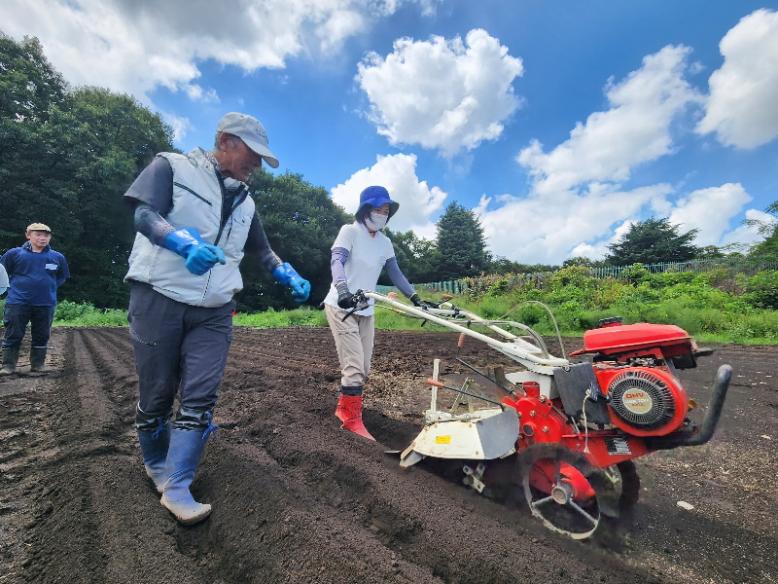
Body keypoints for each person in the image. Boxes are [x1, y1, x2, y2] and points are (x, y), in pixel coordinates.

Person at [124, 112, 310, 525]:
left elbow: (262, 251)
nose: (256, 166)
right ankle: (155, 463)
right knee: (157, 395)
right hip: (160, 296)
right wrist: (178, 242)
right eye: (252, 154)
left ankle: (177, 485)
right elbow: (143, 214)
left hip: (215, 310)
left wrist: (285, 271)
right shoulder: (172, 166)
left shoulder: (247, 201)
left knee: (200, 396)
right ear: (225, 142)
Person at [323, 186, 435, 441]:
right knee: (353, 367)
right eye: (378, 209)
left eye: (386, 211)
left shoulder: (385, 243)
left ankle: (344, 407)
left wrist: (416, 298)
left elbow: (395, 273)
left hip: (366, 308)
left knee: (364, 367)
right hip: (342, 306)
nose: (382, 214)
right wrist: (342, 289)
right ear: (365, 210)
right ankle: (351, 420)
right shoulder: (349, 231)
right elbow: (337, 261)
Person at [0, 223, 70, 376]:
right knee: (13, 333)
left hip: (45, 303)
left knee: (42, 335)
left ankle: (38, 365)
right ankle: (8, 366)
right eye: (38, 234)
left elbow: (62, 277)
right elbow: (3, 272)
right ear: (28, 235)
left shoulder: (57, 257)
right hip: (17, 302)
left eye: (46, 235)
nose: (42, 238)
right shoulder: (14, 254)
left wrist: (49, 287)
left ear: (50, 237)